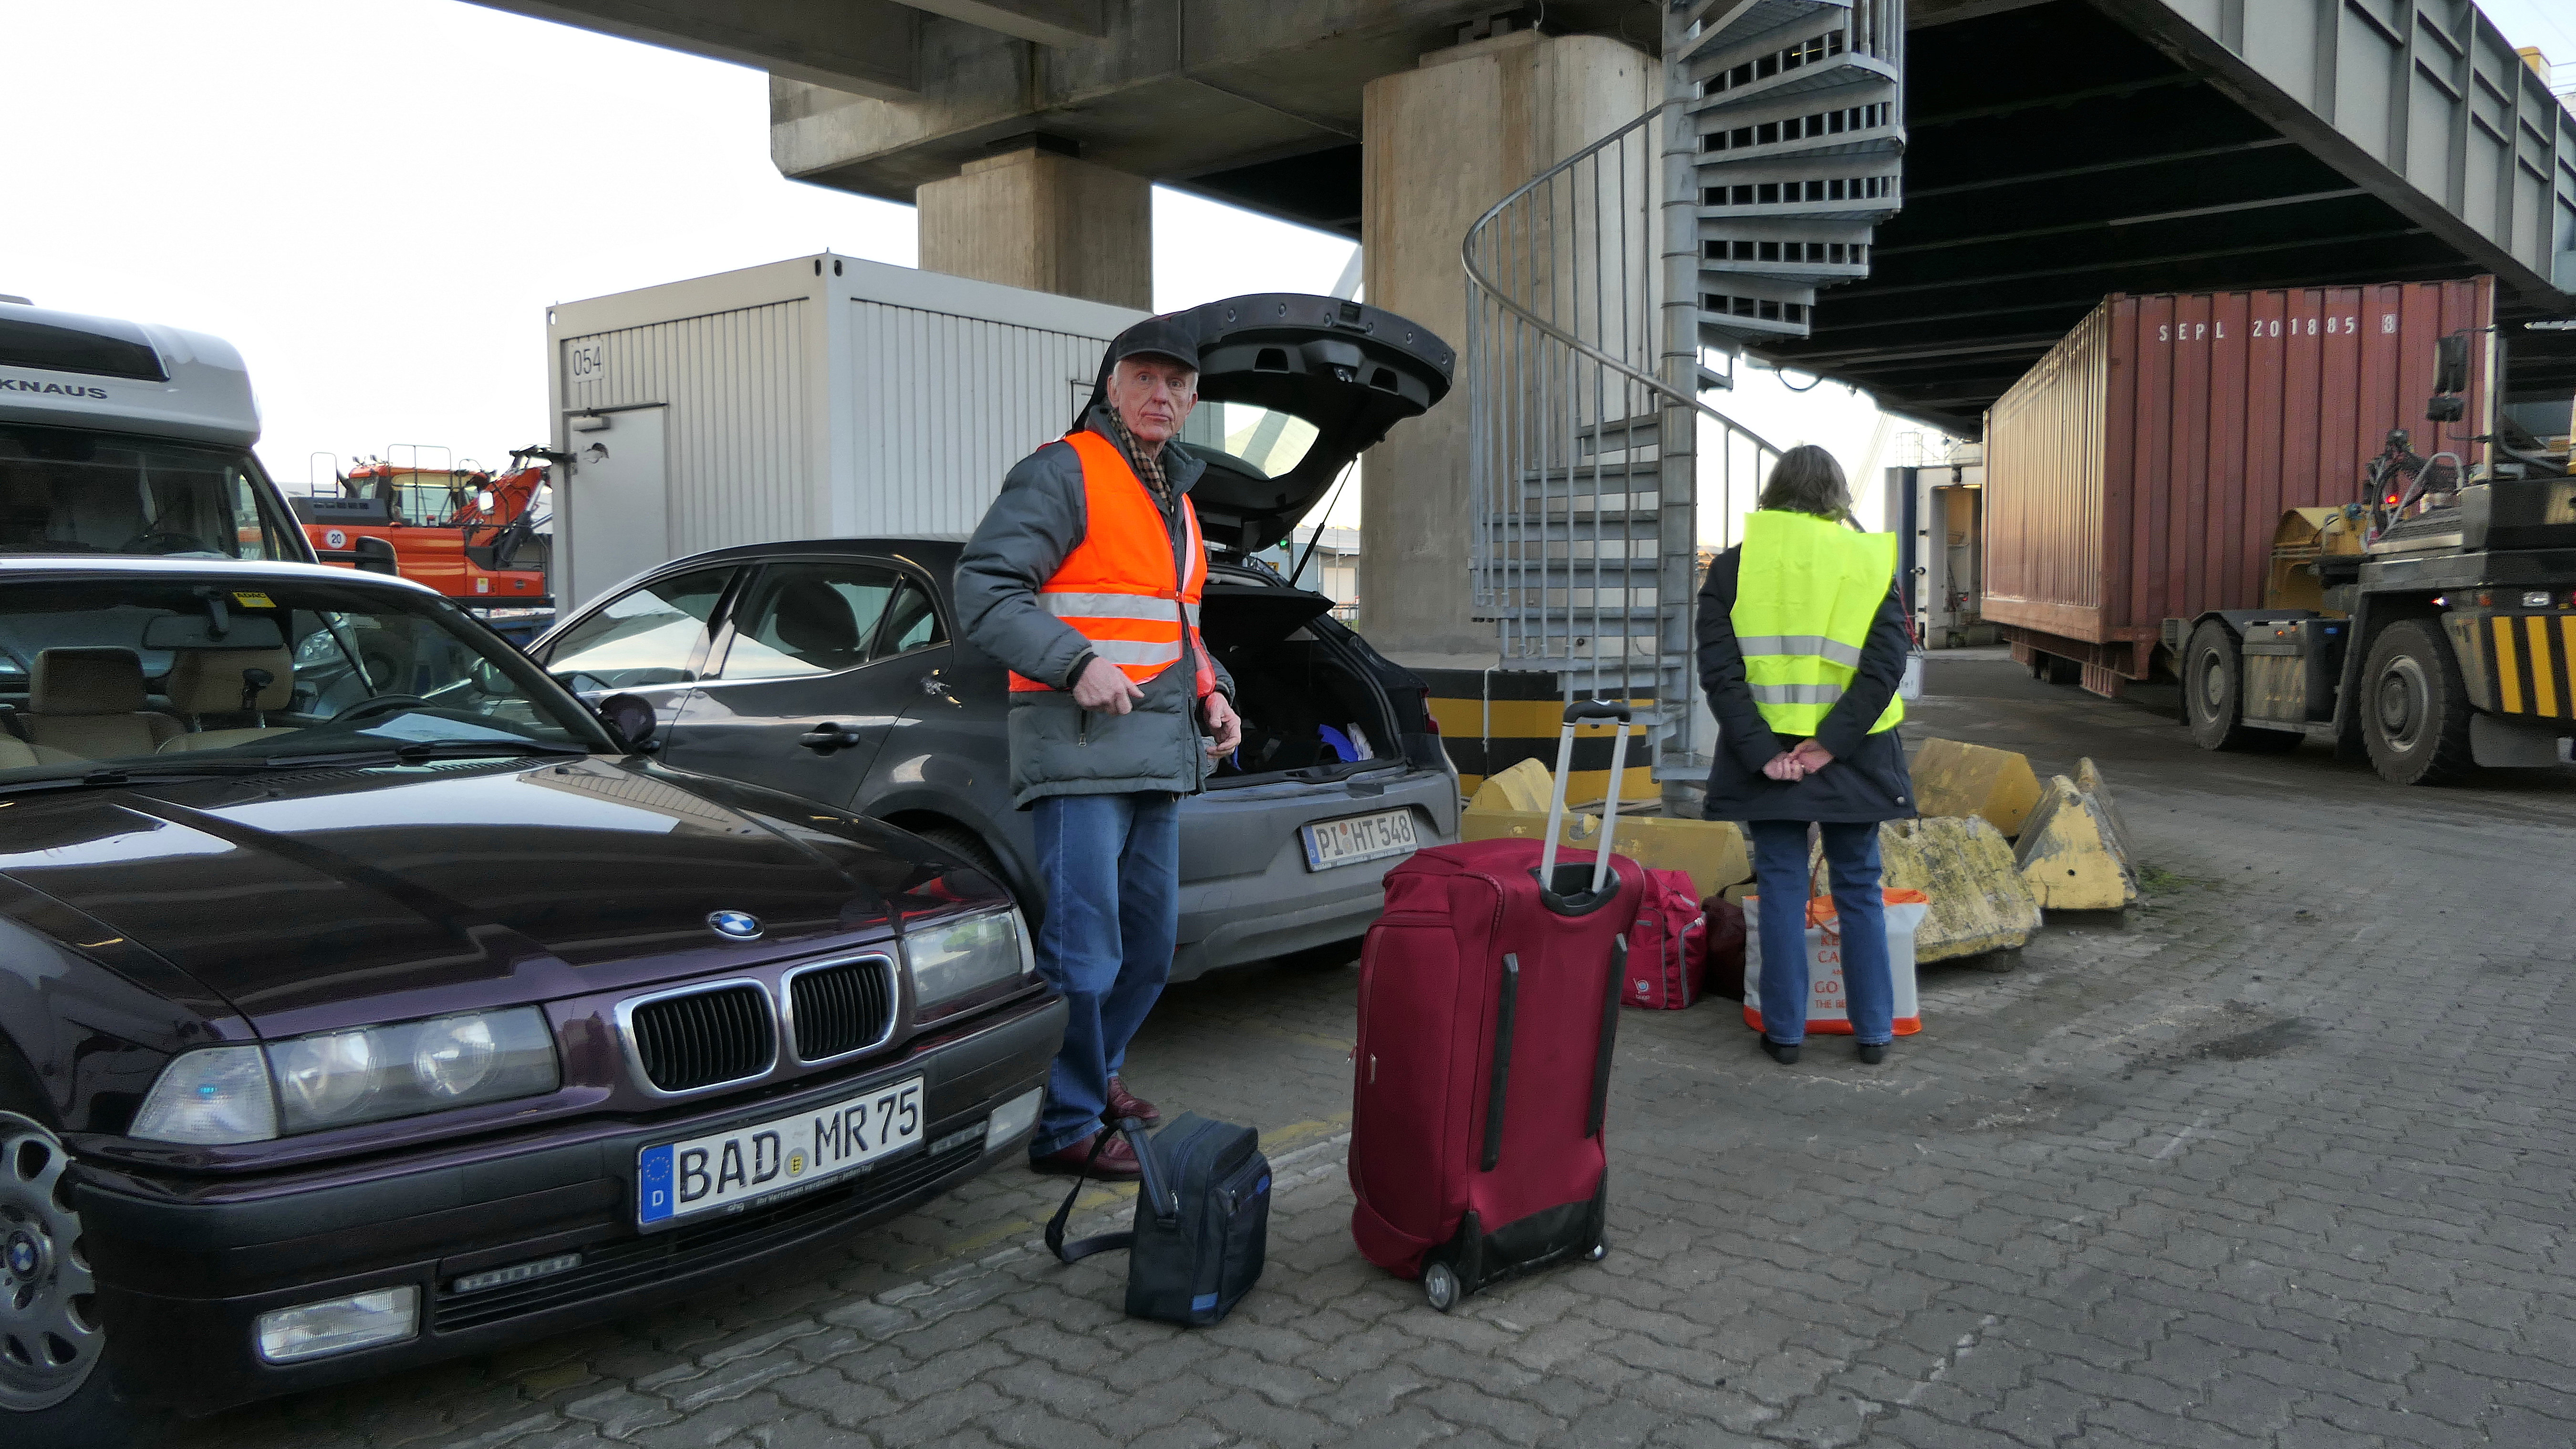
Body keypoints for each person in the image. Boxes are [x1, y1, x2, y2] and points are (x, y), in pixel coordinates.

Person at [956, 317, 1244, 1179]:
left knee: (1150, 947)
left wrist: (1216, 691)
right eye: (1146, 378)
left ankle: (1097, 1072)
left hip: (1159, 751)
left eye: (1178, 385)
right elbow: (983, 587)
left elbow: (1176, 624)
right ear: (1111, 386)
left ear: (1192, 402)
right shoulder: (1065, 468)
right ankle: (1067, 1126)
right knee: (1085, 951)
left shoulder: (1176, 496)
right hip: (1080, 753)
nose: (1162, 395)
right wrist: (1073, 662)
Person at [1694, 445, 1915, 1066]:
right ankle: (1874, 1032)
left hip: (1764, 758)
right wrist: (1832, 744)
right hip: (1852, 754)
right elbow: (1884, 666)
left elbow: (1722, 671)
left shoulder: (1733, 569)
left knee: (1784, 890)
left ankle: (1785, 1033)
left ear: (1774, 491)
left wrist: (1765, 752)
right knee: (1859, 887)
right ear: (1837, 497)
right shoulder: (1870, 563)